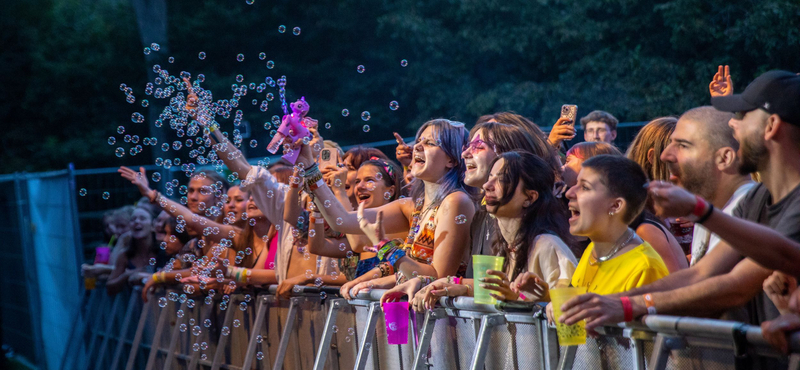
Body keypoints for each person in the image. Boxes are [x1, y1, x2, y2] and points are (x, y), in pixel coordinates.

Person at [558, 72, 800, 345]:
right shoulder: (755, 199)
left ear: (770, 127)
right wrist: (612, 302)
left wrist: (630, 306)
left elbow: (734, 286)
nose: (734, 124)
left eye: (743, 116)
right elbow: (700, 274)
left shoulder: (775, 202)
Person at [304, 119, 476, 299]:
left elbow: (436, 278)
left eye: (430, 143)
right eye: (419, 141)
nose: (417, 147)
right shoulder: (413, 206)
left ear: (451, 159)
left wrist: (386, 247)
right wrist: (309, 166)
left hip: (446, 322)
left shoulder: (456, 201)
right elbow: (342, 221)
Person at [403, 152, 577, 310]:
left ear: (529, 197)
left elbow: (572, 319)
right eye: (490, 177)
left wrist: (531, 299)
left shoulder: (547, 245)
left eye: (502, 180)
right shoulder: (507, 245)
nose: (487, 185)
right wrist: (453, 284)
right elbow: (512, 294)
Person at [560, 142, 687, 272]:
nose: (569, 194)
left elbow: (674, 284)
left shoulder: (643, 231)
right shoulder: (595, 248)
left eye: (584, 187)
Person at [660, 106, 755, 265]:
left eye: (683, 145)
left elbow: (720, 283)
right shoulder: (711, 208)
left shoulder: (752, 211)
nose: (665, 156)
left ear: (725, 159)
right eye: (671, 143)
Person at [106, 205, 159, 295]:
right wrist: (126, 276)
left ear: (153, 226)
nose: (137, 221)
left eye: (142, 218)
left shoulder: (163, 251)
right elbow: (109, 287)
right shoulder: (125, 255)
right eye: (133, 219)